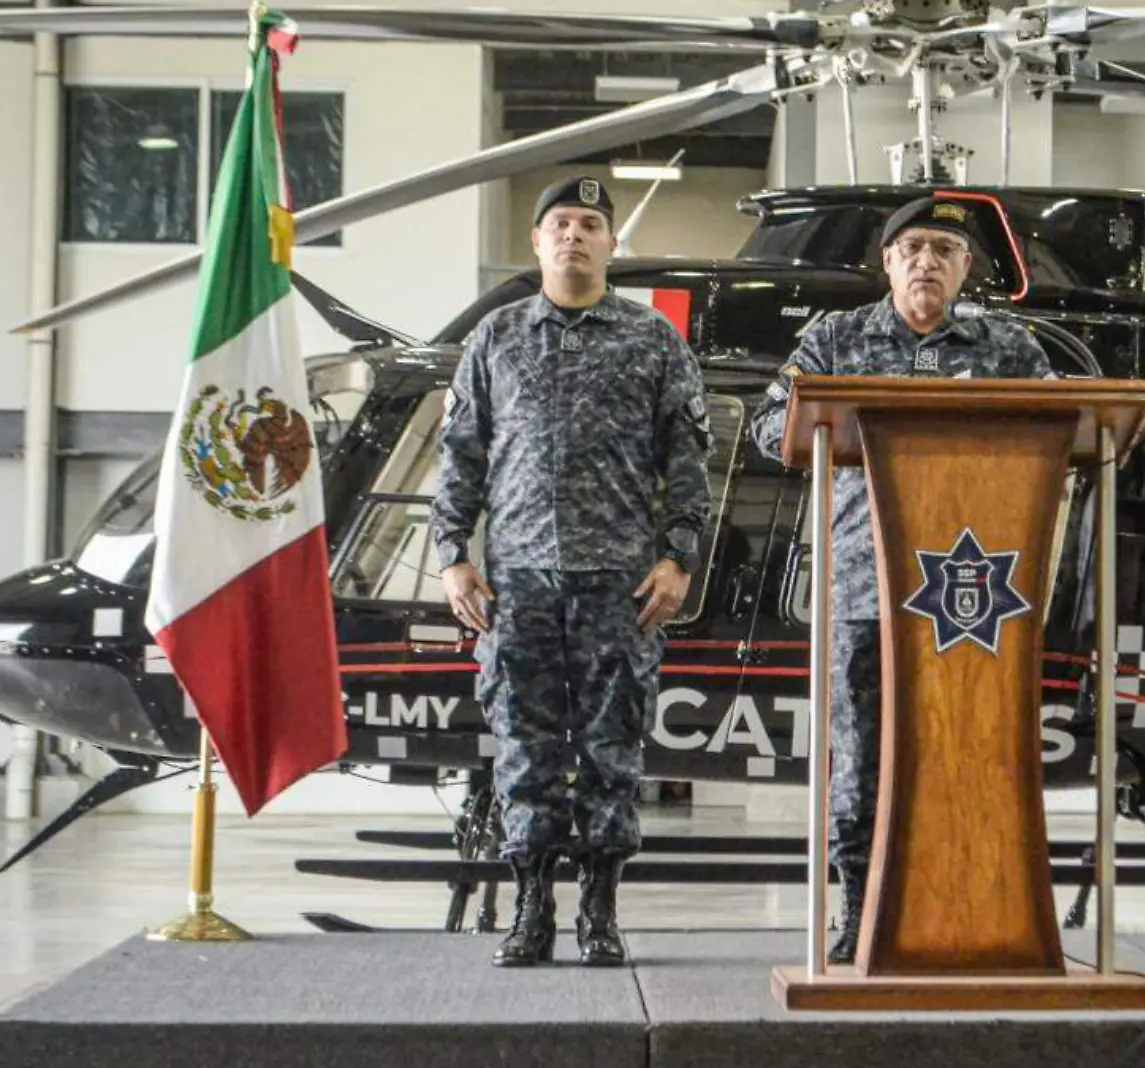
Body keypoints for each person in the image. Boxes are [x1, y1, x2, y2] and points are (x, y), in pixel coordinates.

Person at [748, 194, 1057, 965]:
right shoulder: (835, 339)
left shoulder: (1008, 345)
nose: (926, 261)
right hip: (864, 582)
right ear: (886, 262)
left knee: (969, 749)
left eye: (943, 251)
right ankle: (862, 911)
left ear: (964, 268)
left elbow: (1061, 427)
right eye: (912, 247)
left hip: (971, 595)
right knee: (859, 758)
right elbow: (766, 431)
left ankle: (968, 904)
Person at [431, 174, 713, 968]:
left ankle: (599, 911)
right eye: (559, 224)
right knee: (524, 750)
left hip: (619, 586)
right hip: (516, 584)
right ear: (537, 241)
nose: (573, 236)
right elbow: (459, 455)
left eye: (590, 224)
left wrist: (678, 557)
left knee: (611, 751)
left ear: (611, 244)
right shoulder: (496, 337)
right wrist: (451, 555)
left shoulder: (653, 340)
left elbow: (687, 459)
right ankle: (530, 910)